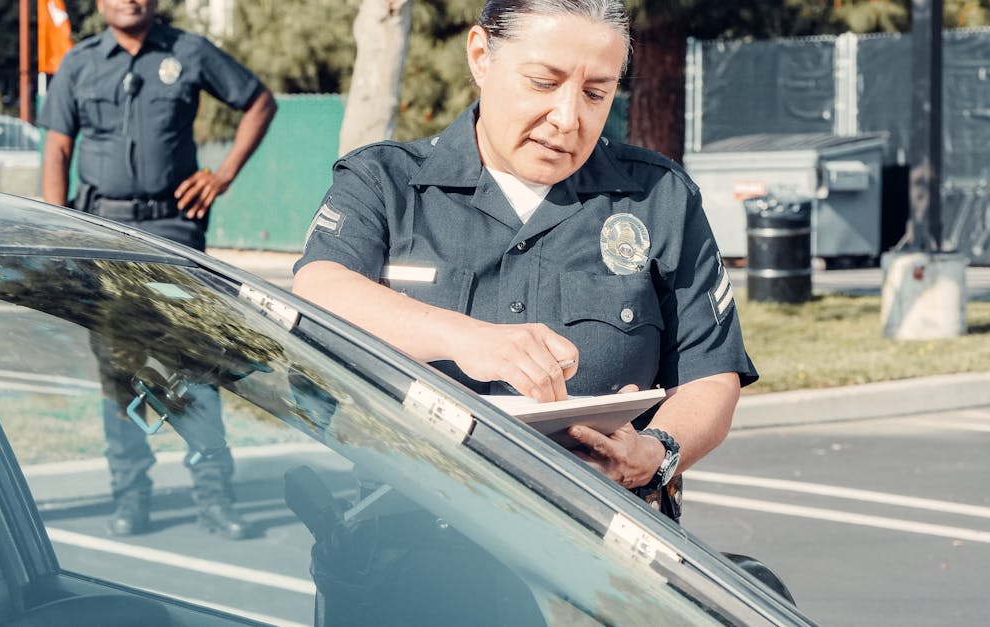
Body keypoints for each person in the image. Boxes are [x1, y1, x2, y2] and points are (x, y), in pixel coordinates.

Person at [292, 0, 757, 522]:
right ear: (481, 56)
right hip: (406, 540)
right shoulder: (384, 182)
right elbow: (320, 286)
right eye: (542, 82)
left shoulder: (659, 198)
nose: (567, 118)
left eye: (595, 93)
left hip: (601, 553)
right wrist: (465, 337)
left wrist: (655, 455)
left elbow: (710, 375)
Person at [38, 0, 277, 538]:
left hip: (173, 231)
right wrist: (61, 237)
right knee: (120, 373)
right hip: (103, 232)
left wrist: (223, 175)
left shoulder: (188, 51)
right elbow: (56, 151)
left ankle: (215, 497)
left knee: (195, 364)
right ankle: (131, 497)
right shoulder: (78, 62)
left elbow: (259, 101)